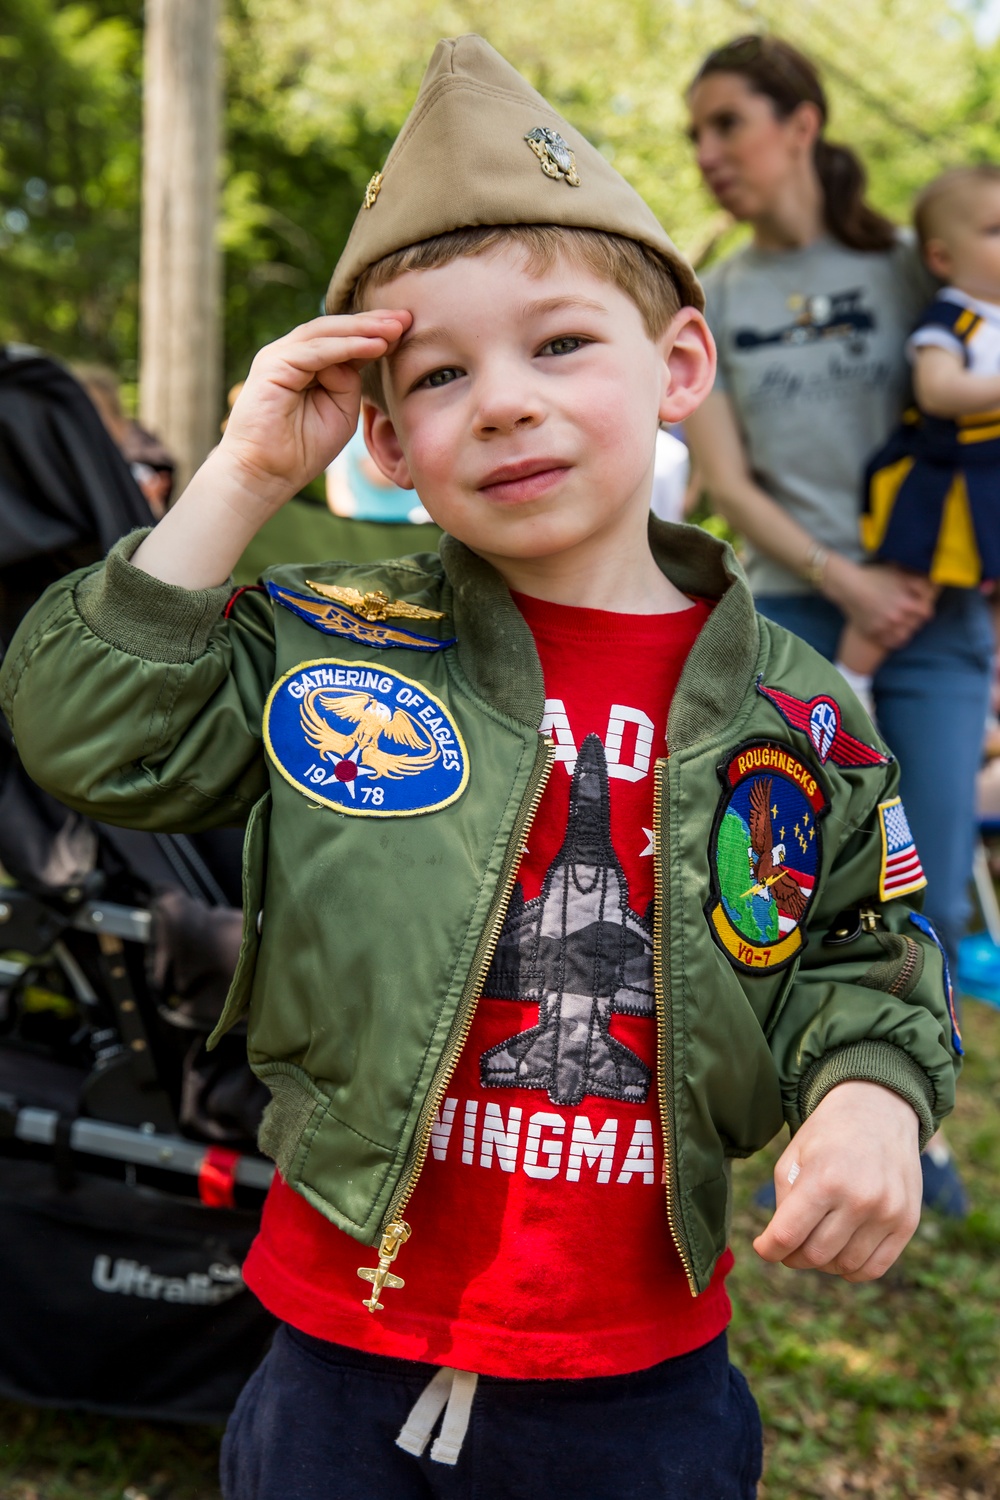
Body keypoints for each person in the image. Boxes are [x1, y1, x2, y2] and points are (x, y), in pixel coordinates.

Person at [0, 37, 959, 1499]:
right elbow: (87, 729)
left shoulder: (802, 709)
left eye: (560, 343)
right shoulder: (334, 648)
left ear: (680, 366)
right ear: (384, 435)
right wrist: (244, 475)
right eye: (440, 374)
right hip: (335, 1347)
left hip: (638, 1372)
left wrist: (874, 1095)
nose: (504, 400)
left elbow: (865, 947)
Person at [684, 34, 987, 1216]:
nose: (708, 152)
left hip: (937, 614)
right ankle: (797, 1121)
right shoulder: (714, 298)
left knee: (933, 872)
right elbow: (728, 483)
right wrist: (842, 578)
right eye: (698, 131)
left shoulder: (921, 266)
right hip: (798, 610)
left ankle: (911, 1120)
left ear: (800, 124)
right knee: (781, 880)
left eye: (729, 124)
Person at [838, 166, 1000, 714]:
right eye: (994, 230)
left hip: (990, 476)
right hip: (947, 477)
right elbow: (938, 391)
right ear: (941, 259)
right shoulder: (952, 320)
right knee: (911, 585)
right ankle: (852, 678)